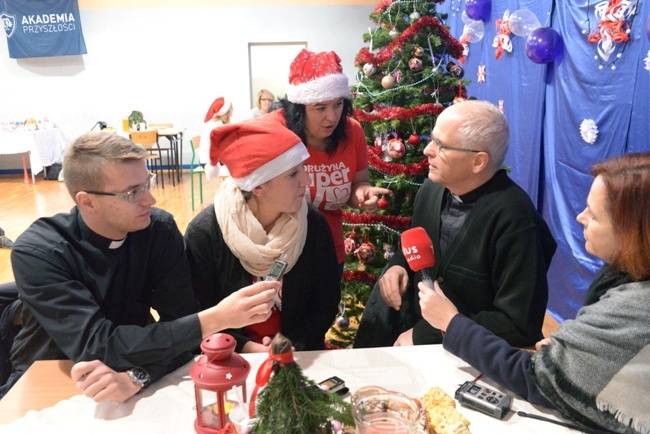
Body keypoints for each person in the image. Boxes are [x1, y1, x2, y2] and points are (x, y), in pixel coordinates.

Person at [3, 132, 278, 402]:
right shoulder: (39, 252)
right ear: (87, 201)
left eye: (147, 183)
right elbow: (97, 345)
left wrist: (137, 376)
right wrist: (216, 319)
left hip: (127, 370)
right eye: (133, 192)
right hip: (48, 373)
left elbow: (180, 329)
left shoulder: (157, 230)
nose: (150, 199)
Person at [421, 152, 650, 433]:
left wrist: (450, 322)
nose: (580, 217)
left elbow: (535, 373)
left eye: (594, 214)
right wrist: (572, 356)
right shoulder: (429, 192)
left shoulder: (516, 217)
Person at [355, 100, 557, 348]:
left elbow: (518, 325)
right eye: (432, 140)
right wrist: (399, 265)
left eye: (441, 146)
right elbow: (416, 242)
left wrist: (427, 335)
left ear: (478, 162)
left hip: (469, 358)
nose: (427, 150)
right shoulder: (431, 189)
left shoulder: (517, 221)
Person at [186, 115, 340, 353]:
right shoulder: (206, 233)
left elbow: (325, 302)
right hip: (228, 357)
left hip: (299, 355)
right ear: (257, 186)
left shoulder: (312, 224)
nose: (306, 181)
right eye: (292, 174)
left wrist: (289, 346)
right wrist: (245, 347)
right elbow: (200, 313)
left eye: (304, 169)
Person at [269, 49, 392, 268]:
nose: (332, 117)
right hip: (281, 252)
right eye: (320, 108)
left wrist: (363, 194)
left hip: (329, 249)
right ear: (299, 108)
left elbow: (358, 183)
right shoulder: (280, 132)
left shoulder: (352, 132)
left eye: (338, 105)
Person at [199, 96, 233, 167]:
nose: (233, 109)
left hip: (211, 158)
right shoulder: (217, 126)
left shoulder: (218, 123)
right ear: (227, 111)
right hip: (209, 162)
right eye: (231, 108)